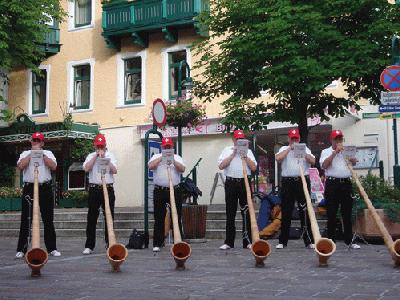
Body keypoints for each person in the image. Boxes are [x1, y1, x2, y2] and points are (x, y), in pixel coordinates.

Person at [15, 132, 60, 258]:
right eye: (34, 140)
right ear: (31, 142)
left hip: (45, 187)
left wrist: (41, 154)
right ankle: (22, 249)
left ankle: (52, 248)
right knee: (26, 220)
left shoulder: (48, 153)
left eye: (38, 141)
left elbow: (53, 166)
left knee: (48, 220)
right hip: (29, 188)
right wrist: (31, 154)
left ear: (42, 143)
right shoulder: (25, 153)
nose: (36, 142)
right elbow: (20, 166)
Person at [275, 128, 315, 249]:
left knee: (305, 210)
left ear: (299, 139)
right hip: (287, 182)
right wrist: (289, 149)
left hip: (302, 181)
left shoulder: (305, 148)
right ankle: (283, 241)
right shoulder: (283, 148)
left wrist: (303, 153)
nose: (294, 141)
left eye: (296, 139)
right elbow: (278, 158)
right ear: (289, 139)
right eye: (292, 139)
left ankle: (308, 240)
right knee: (286, 211)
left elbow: (313, 161)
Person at [320, 129, 360, 249]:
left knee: (347, 213)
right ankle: (331, 241)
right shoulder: (325, 151)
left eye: (340, 139)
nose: (339, 141)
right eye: (336, 139)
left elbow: (355, 163)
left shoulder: (347, 150)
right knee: (331, 213)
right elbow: (324, 165)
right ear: (331, 140)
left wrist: (352, 159)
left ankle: (349, 240)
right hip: (332, 184)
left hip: (346, 184)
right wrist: (335, 153)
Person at [218, 129, 257, 250]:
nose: (239, 141)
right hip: (231, 182)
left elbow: (254, 167)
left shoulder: (249, 151)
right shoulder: (227, 150)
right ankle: (229, 242)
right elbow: (221, 166)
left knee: (246, 212)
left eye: (241, 139)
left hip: (244, 182)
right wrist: (233, 154)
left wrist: (245, 156)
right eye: (237, 139)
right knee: (230, 213)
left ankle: (248, 241)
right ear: (233, 140)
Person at [148, 137, 186, 252]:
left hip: (175, 190)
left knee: (177, 216)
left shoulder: (177, 157)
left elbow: (182, 169)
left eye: (169, 147)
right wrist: (162, 157)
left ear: (172, 147)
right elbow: (150, 167)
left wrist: (173, 159)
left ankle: (178, 242)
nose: (167, 148)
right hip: (159, 190)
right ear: (162, 147)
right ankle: (157, 243)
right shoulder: (156, 156)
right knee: (159, 217)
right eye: (165, 147)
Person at [82, 133, 118, 255]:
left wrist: (105, 160)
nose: (100, 148)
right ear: (94, 146)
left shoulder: (111, 156)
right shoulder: (90, 156)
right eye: (98, 146)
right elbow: (86, 168)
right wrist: (96, 157)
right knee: (91, 218)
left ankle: (110, 243)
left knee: (109, 216)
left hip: (108, 188)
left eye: (102, 146)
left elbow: (115, 171)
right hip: (94, 189)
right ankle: (89, 245)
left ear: (105, 145)